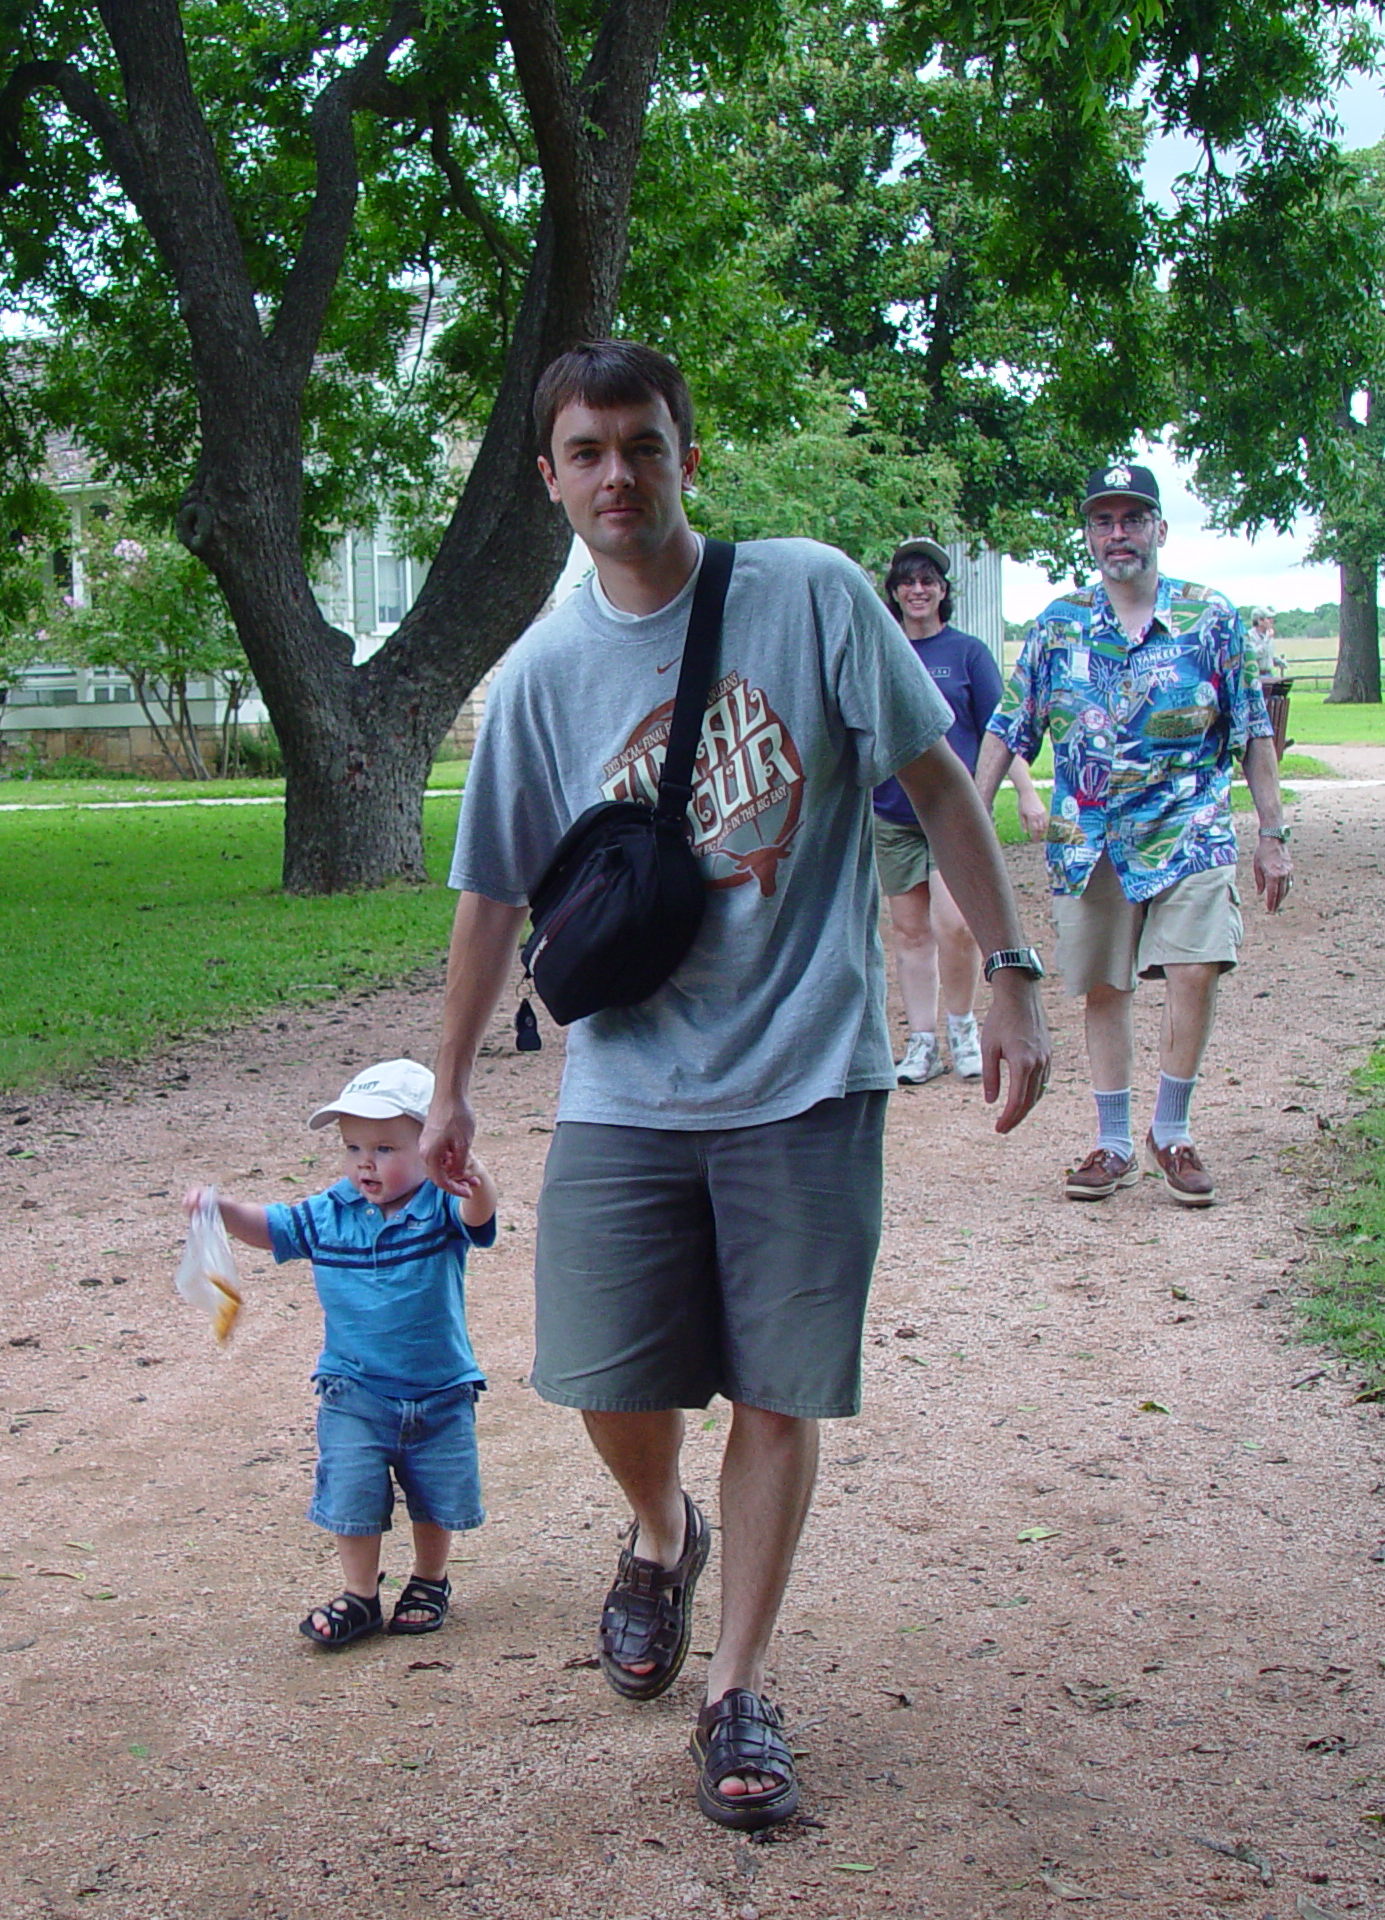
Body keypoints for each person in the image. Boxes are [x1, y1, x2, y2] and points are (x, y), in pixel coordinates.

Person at [423, 340, 1049, 1832]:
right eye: (587, 452)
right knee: (603, 1374)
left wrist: (1013, 967)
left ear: (686, 455)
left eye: (642, 444)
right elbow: (490, 895)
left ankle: (740, 1687)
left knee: (779, 1386)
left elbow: (940, 780)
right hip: (628, 1086)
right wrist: (448, 1082)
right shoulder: (542, 677)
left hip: (806, 1081)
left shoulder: (812, 594)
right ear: (551, 478)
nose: (617, 474)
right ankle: (660, 1528)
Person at [974, 460, 1292, 1208]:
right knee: (1104, 987)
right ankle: (1114, 1143)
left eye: (1134, 519)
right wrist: (969, 825)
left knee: (1196, 966)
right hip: (1090, 835)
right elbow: (1007, 729)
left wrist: (1273, 833)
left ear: (1160, 530)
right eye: (1104, 521)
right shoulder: (1058, 624)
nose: (1119, 534)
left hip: (1191, 823)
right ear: (1088, 533)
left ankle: (1171, 1131)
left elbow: (1252, 733)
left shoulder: (1211, 618)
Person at [187, 1059, 498, 1648]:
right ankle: (360, 1595)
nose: (364, 1162)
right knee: (352, 1491)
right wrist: (222, 1211)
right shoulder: (329, 1213)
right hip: (353, 1391)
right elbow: (271, 1226)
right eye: (353, 1146)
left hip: (439, 1388)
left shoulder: (440, 1203)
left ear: (433, 1149)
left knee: (434, 1494)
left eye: (385, 1147)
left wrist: (471, 1171)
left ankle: (430, 1580)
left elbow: (479, 1215)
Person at [873, 538, 1048, 1084]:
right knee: (909, 931)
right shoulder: (883, 650)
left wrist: (1025, 790)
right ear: (895, 591)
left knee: (957, 925)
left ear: (944, 591)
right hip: (891, 812)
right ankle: (921, 1042)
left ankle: (963, 1027)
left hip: (951, 813)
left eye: (928, 581)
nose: (917, 590)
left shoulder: (967, 652)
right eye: (907, 581)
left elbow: (1002, 730)